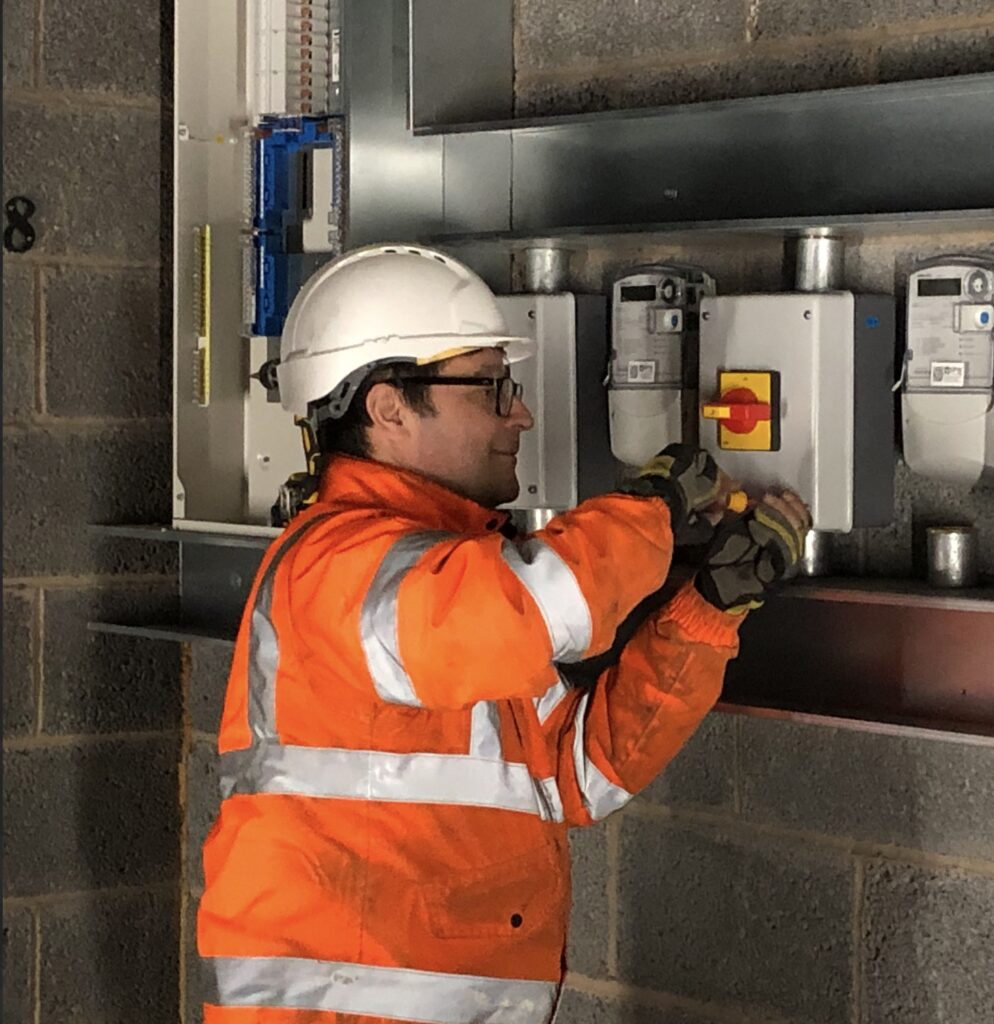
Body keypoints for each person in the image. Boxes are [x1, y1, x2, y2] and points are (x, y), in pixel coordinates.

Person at [197, 244, 811, 1023]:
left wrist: (707, 612)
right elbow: (527, 612)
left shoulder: (446, 578)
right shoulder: (336, 567)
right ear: (388, 408)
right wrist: (654, 509)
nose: (518, 413)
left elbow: (573, 774)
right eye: (490, 388)